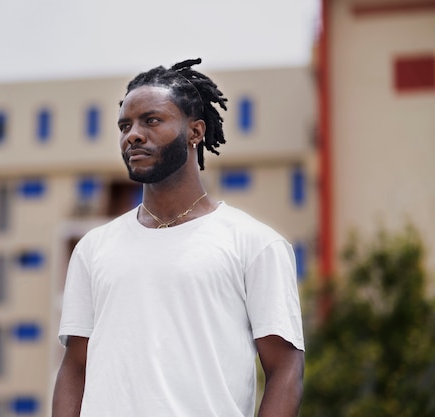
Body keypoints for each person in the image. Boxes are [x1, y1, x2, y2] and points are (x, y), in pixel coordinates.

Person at [52, 58, 305, 417]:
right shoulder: (93, 249)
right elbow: (75, 368)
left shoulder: (256, 244)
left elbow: (286, 370)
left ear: (195, 132)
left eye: (151, 120)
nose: (133, 134)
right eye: (125, 125)